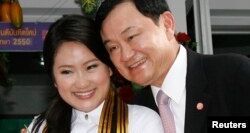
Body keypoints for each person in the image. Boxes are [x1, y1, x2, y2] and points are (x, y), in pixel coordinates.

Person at [95, 0, 250, 133]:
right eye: (113, 47)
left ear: (167, 24)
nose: (126, 55)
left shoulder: (232, 74)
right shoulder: (134, 113)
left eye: (132, 37)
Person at [21, 15, 164, 133]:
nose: (82, 83)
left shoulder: (141, 122)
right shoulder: (40, 127)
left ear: (109, 67)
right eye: (66, 71)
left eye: (91, 67)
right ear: (54, 79)